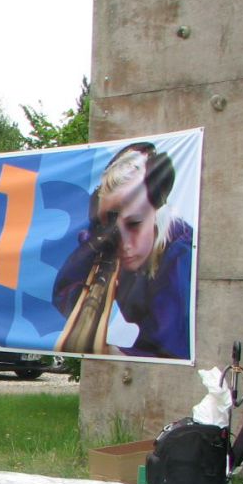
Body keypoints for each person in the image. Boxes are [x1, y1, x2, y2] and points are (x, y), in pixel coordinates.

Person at [54, 142, 193, 359]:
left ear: (156, 211)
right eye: (111, 227)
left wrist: (118, 354)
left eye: (134, 224)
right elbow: (63, 291)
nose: (124, 244)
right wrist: (99, 238)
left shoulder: (180, 254)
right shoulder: (108, 242)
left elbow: (170, 348)